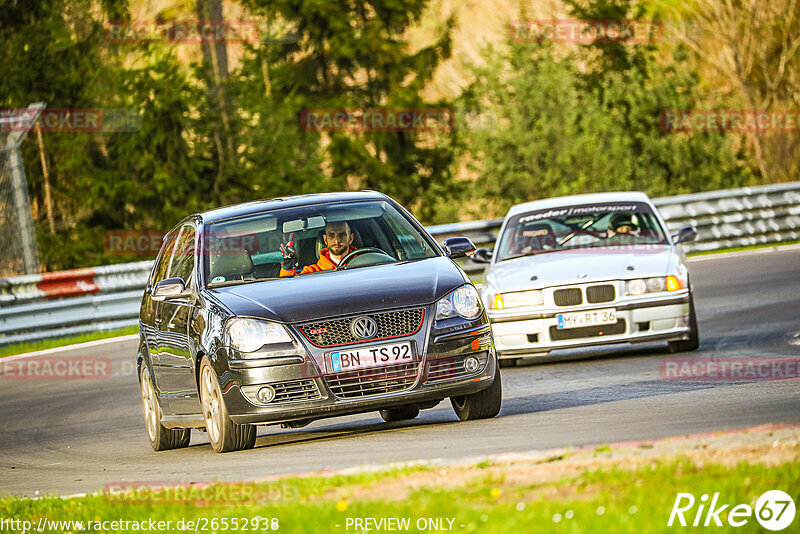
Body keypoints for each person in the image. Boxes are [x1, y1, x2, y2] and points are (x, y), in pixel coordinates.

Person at [279, 221, 357, 276]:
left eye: (342, 235)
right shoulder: (312, 271)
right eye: (331, 235)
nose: (336, 240)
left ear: (350, 238)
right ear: (325, 239)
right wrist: (288, 265)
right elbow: (290, 287)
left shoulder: (366, 263)